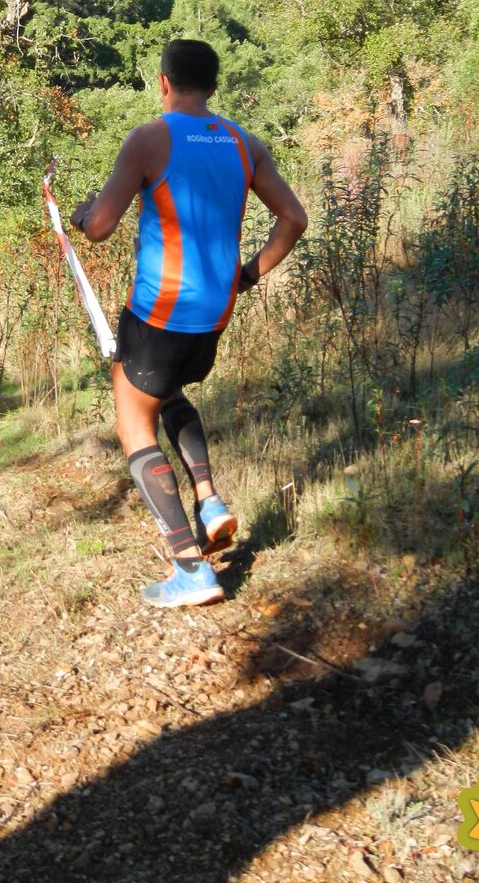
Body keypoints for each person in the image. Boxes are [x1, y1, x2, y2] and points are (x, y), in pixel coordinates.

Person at [70, 39, 308, 608]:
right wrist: (247, 275)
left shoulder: (150, 138)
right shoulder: (244, 143)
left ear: (163, 82)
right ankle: (210, 500)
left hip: (158, 315)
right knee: (167, 390)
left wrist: (80, 215)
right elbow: (294, 219)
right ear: (215, 87)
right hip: (214, 318)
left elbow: (100, 227)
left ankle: (189, 566)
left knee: (134, 425)